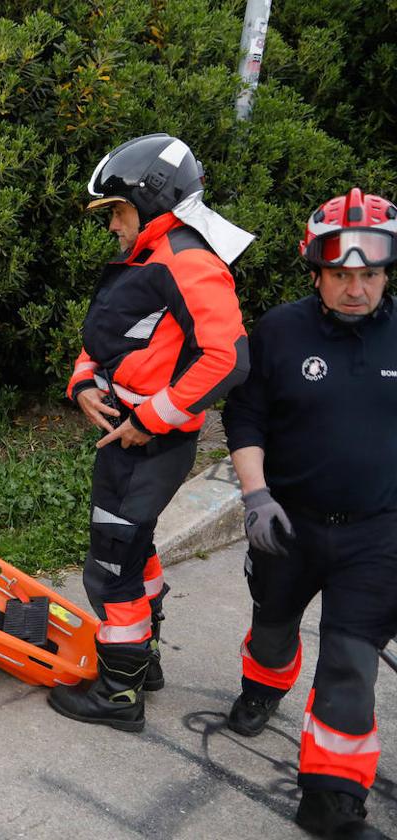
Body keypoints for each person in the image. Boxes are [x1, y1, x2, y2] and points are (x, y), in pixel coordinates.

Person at [48, 133, 253, 732]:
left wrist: (150, 418)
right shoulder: (150, 254)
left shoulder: (187, 260)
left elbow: (228, 358)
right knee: (133, 550)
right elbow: (112, 334)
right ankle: (145, 665)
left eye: (116, 210)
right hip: (129, 434)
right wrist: (82, 381)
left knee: (112, 565)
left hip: (148, 443)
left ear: (151, 198)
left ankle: (118, 692)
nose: (112, 224)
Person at [222, 187, 397, 839]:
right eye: (342, 276)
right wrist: (255, 495)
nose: (357, 289)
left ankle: (331, 797)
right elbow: (244, 414)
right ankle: (262, 688)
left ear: (385, 272)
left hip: (377, 534)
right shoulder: (279, 331)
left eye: (370, 275)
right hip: (287, 523)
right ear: (316, 271)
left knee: (350, 663)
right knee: (273, 627)